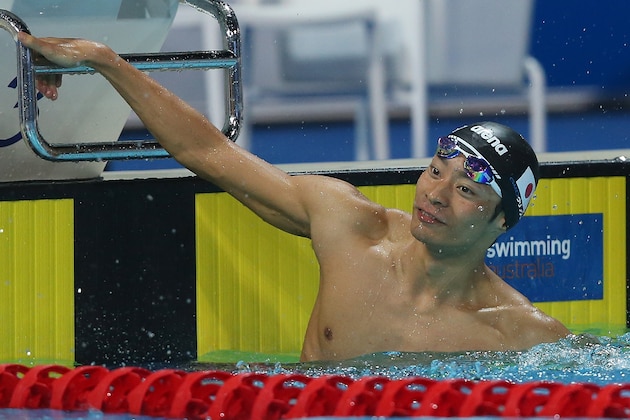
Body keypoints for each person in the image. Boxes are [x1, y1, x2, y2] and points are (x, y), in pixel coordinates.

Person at [19, 32, 570, 362]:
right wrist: (104, 59)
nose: (437, 194)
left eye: (467, 189)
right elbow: (206, 152)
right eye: (434, 170)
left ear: (503, 222)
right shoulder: (351, 228)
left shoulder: (518, 332)